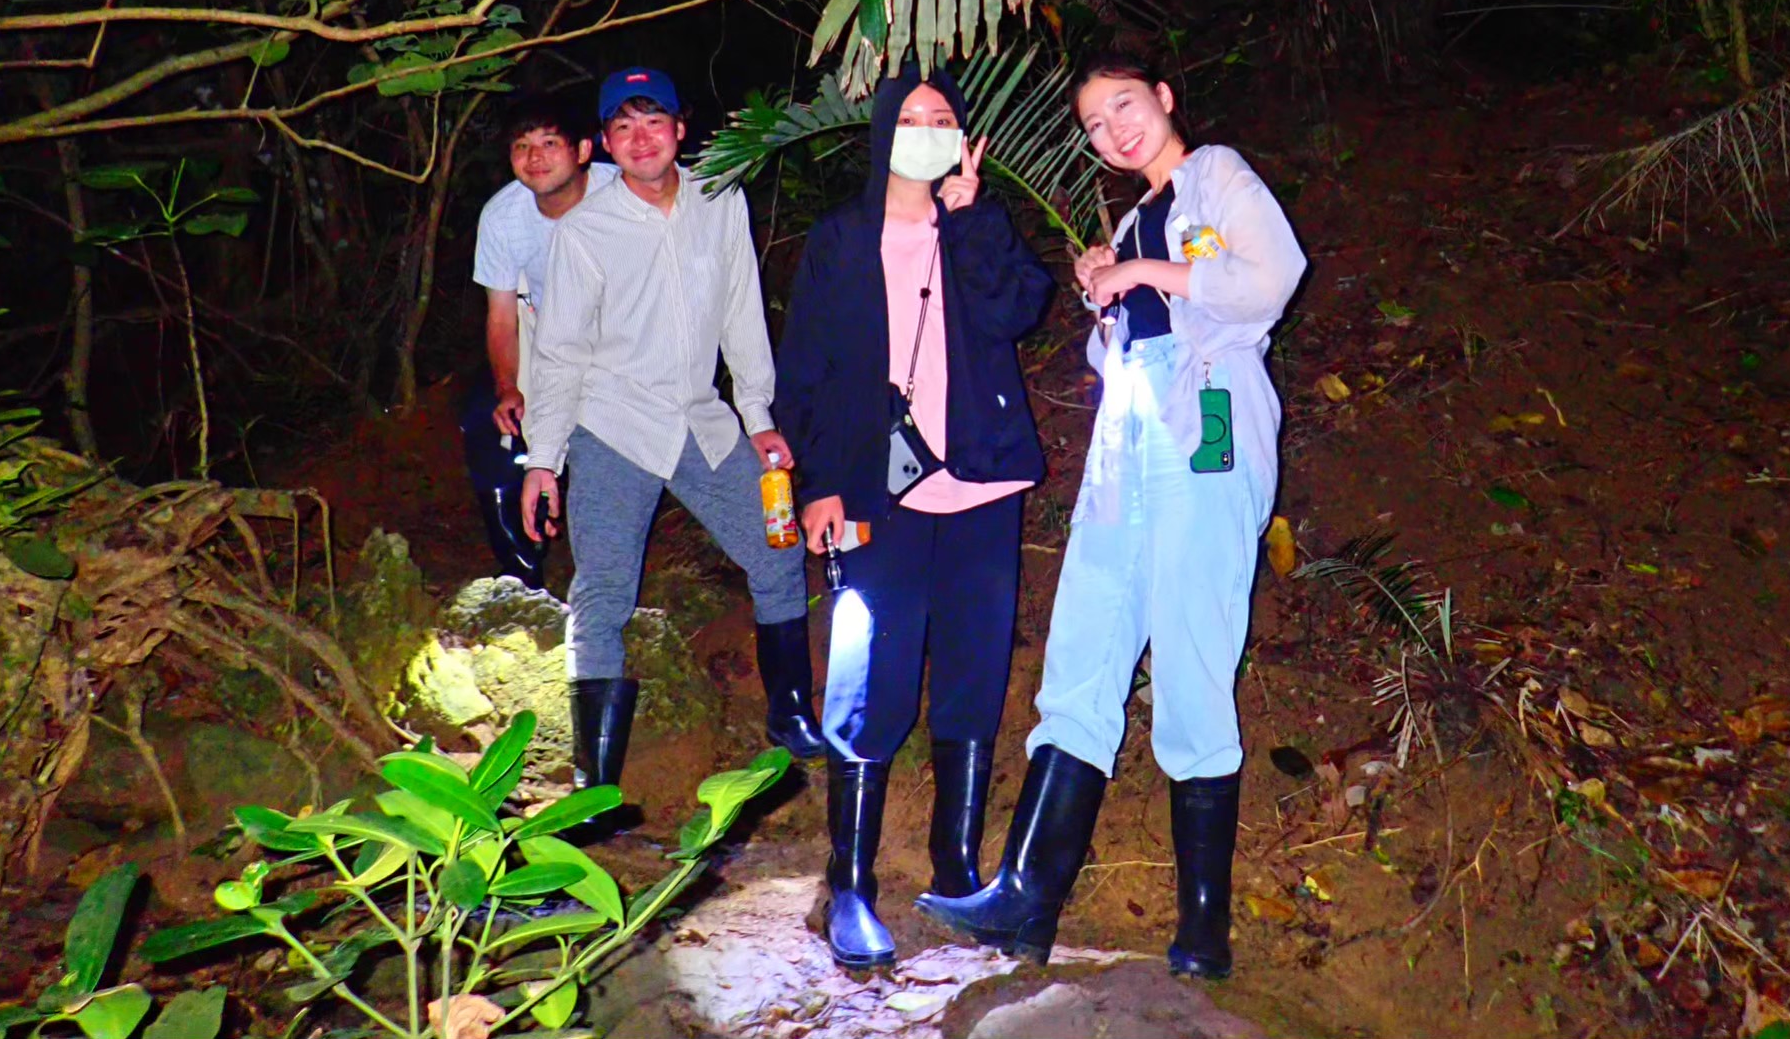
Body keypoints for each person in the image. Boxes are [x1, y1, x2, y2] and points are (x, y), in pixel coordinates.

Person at [918, 51, 1305, 980]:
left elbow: (1271, 275)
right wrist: (1106, 291)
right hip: (1129, 428)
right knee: (1085, 639)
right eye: (1095, 123)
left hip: (1206, 420)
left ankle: (1204, 928)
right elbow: (1122, 344)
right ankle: (1025, 897)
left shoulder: (1216, 174)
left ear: (1164, 98)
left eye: (1124, 105)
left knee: (1192, 648)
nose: (1113, 130)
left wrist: (1141, 270)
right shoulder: (1134, 220)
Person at [774, 69, 1055, 970]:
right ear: (882, 132)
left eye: (944, 118)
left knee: (973, 672)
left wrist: (972, 217)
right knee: (869, 678)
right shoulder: (841, 238)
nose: (928, 129)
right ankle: (851, 881)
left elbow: (1021, 308)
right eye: (912, 117)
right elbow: (805, 369)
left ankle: (956, 866)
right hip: (874, 493)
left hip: (981, 491)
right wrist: (819, 483)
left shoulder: (973, 225)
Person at [520, 67, 826, 829]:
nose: (641, 138)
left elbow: (742, 308)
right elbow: (558, 353)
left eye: (653, 120)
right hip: (613, 423)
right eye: (623, 126)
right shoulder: (582, 231)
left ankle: (790, 715)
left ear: (680, 128)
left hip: (698, 418)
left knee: (778, 551)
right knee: (603, 591)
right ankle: (593, 786)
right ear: (604, 144)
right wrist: (543, 459)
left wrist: (757, 413)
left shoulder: (720, 201)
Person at [462, 92, 617, 588]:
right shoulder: (503, 216)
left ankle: (606, 569)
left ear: (583, 150)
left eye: (550, 143)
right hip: (544, 331)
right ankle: (522, 577)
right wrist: (508, 387)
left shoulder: (623, 194)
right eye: (521, 146)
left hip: (625, 339)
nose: (535, 157)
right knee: (491, 424)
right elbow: (501, 317)